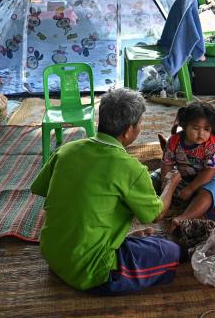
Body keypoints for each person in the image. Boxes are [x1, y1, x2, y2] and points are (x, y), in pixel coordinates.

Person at [31, 88, 183, 295]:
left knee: (143, 238)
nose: (140, 128)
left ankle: (122, 245)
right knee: (171, 251)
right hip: (90, 271)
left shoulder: (67, 150)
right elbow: (155, 215)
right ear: (129, 130)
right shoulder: (131, 169)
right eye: (140, 123)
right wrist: (171, 184)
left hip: (53, 253)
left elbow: (43, 190)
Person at [152, 101, 215, 224]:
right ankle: (142, 204)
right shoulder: (174, 141)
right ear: (184, 125)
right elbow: (167, 163)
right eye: (195, 128)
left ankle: (182, 219)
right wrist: (165, 184)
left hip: (212, 176)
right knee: (152, 179)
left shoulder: (214, 146)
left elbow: (209, 172)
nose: (201, 134)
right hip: (182, 173)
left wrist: (190, 188)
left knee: (207, 193)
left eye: (206, 129)